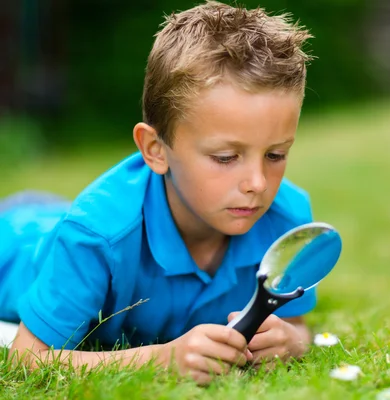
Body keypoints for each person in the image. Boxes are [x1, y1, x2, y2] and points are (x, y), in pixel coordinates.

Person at [1, 1, 316, 385]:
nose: (258, 183)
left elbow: (296, 325)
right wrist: (163, 358)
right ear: (155, 149)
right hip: (15, 242)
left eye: (276, 154)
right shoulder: (93, 236)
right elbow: (27, 359)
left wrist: (294, 342)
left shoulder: (288, 222)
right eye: (225, 157)